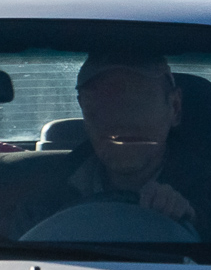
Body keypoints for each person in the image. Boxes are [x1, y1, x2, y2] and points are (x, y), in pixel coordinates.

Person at [12, 52, 199, 235]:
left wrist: (193, 221)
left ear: (174, 107)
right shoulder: (48, 199)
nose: (120, 120)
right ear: (84, 111)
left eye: (137, 103)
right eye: (103, 105)